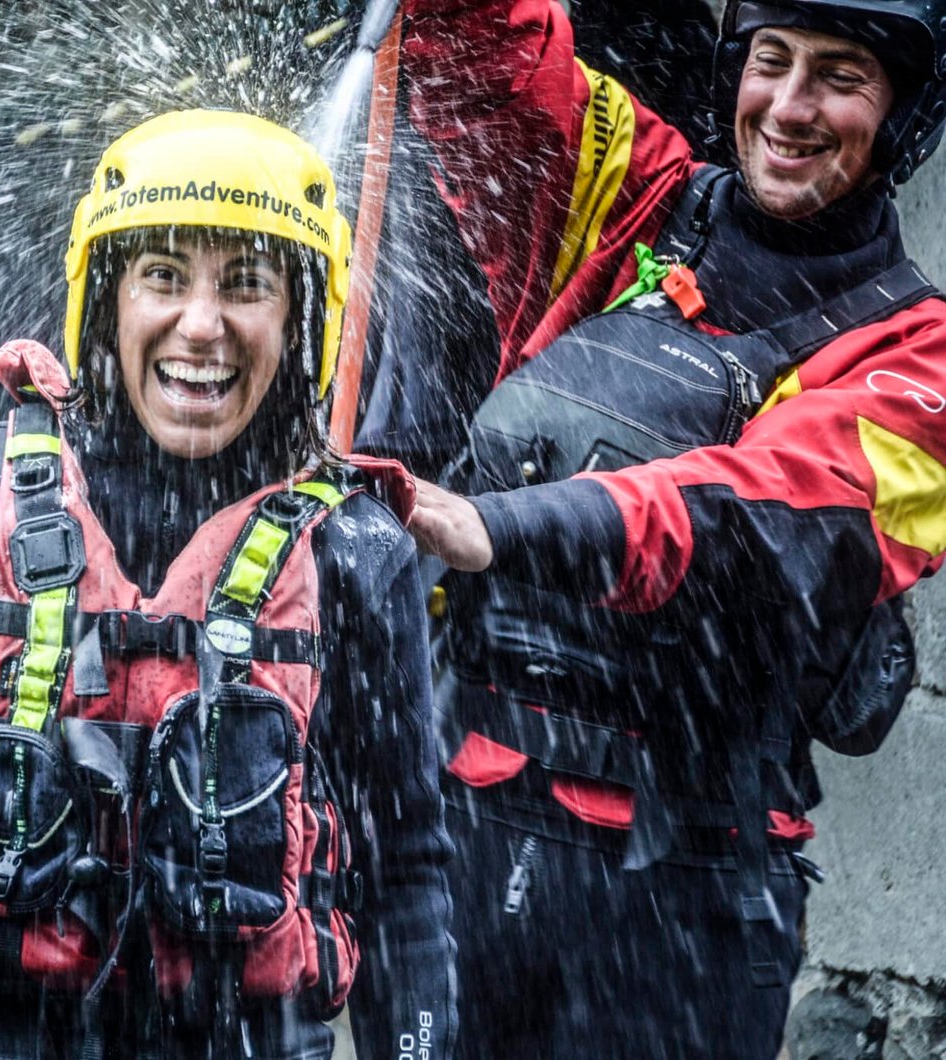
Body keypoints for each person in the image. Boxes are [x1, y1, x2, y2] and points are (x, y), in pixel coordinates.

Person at [0, 109, 456, 1059]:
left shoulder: (356, 552)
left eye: (246, 285)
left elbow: (406, 867)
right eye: (164, 277)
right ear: (108, 300)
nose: (202, 325)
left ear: (302, 318)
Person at [376, 0, 946, 1055]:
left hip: (684, 889)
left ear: (901, 117)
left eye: (838, 77)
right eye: (769, 62)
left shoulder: (920, 360)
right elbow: (493, 61)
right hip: (465, 833)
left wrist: (500, 525)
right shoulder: (635, 198)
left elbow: (756, 516)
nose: (787, 105)